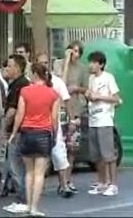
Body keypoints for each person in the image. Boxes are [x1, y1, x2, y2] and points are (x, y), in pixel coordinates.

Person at [9, 62, 59, 216]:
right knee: (39, 174)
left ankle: (28, 204)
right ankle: (35, 208)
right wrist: (54, 135)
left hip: (26, 133)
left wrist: (13, 133)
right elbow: (54, 119)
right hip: (44, 134)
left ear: (35, 74)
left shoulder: (25, 91)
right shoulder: (53, 94)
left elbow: (20, 114)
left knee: (29, 172)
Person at [35, 52, 79, 198]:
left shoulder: (57, 82)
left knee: (59, 153)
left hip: (54, 123)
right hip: (36, 124)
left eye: (46, 63)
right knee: (40, 157)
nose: (44, 66)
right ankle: (37, 188)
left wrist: (72, 120)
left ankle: (64, 184)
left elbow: (67, 102)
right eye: (41, 63)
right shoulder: (32, 82)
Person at [85, 51, 121, 196]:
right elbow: (90, 95)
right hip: (93, 119)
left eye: (94, 62)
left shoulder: (108, 78)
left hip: (105, 120)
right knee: (97, 155)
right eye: (90, 62)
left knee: (108, 155)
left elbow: (116, 98)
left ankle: (113, 184)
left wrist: (99, 96)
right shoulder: (91, 78)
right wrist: (89, 96)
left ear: (101, 64)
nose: (91, 65)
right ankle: (102, 182)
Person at [60, 40, 89, 193]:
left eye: (77, 51)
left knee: (72, 148)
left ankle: (68, 179)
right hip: (62, 111)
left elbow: (87, 89)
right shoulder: (60, 65)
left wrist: (77, 88)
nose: (74, 54)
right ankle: (61, 180)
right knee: (60, 148)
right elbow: (60, 83)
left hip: (76, 109)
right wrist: (65, 62)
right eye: (72, 50)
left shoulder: (83, 69)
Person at [2, 54, 30, 214]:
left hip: (17, 131)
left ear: (18, 68)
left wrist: (3, 129)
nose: (7, 68)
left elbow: (13, 111)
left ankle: (22, 200)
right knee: (21, 166)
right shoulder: (20, 84)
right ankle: (24, 199)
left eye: (10, 66)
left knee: (16, 166)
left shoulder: (18, 86)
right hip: (23, 130)